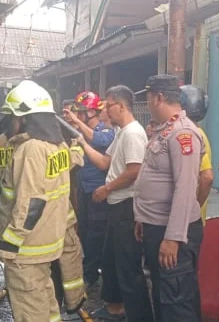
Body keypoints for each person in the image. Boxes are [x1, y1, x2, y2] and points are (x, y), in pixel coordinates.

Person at [0, 80, 74, 322]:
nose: (12, 123)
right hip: (47, 243)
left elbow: (32, 202)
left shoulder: (31, 149)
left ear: (26, 118)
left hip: (25, 249)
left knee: (31, 310)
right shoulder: (58, 146)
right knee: (46, 305)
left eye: (14, 117)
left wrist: (9, 244)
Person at [77, 85, 153, 321]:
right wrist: (82, 142)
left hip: (126, 206)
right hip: (115, 204)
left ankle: (138, 315)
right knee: (111, 260)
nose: (105, 111)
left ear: (121, 106)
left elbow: (134, 171)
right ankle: (115, 309)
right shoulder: (121, 132)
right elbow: (104, 162)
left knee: (128, 265)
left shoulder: (133, 133)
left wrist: (106, 188)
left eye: (109, 105)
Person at [134, 75, 204, 322]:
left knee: (177, 300)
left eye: (149, 99)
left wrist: (173, 238)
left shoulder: (183, 134)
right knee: (165, 297)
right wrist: (143, 218)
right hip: (157, 228)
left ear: (159, 98)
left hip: (173, 233)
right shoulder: (165, 131)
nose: (148, 104)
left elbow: (185, 188)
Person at [63, 91, 115, 287]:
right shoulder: (79, 133)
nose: (79, 116)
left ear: (91, 113)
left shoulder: (106, 131)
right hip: (83, 190)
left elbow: (100, 141)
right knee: (84, 231)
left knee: (96, 234)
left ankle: (92, 274)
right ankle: (90, 270)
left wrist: (78, 124)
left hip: (98, 191)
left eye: (82, 112)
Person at [180, 84, 214, 226]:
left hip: (188, 222)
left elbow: (207, 177)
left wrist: (192, 210)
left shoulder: (194, 135)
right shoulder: (196, 132)